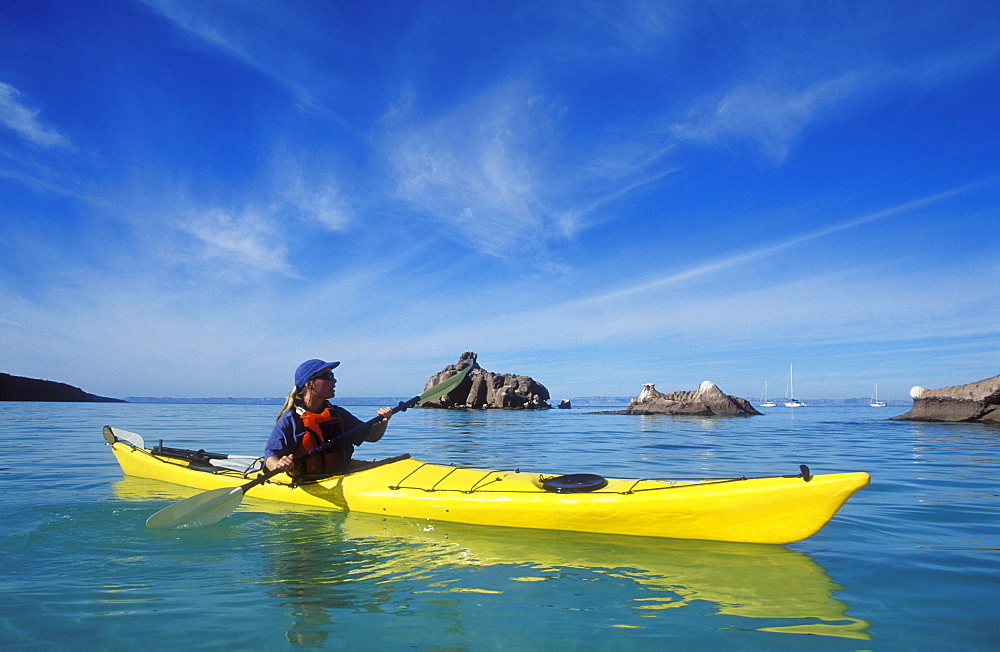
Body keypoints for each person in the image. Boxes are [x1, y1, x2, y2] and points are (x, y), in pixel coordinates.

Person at [264, 359, 393, 477]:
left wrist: (383, 422)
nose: (334, 381)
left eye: (333, 376)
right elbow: (270, 457)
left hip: (342, 474)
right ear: (309, 383)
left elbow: (371, 436)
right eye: (328, 377)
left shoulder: (338, 414)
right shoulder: (291, 419)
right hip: (307, 479)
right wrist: (279, 465)